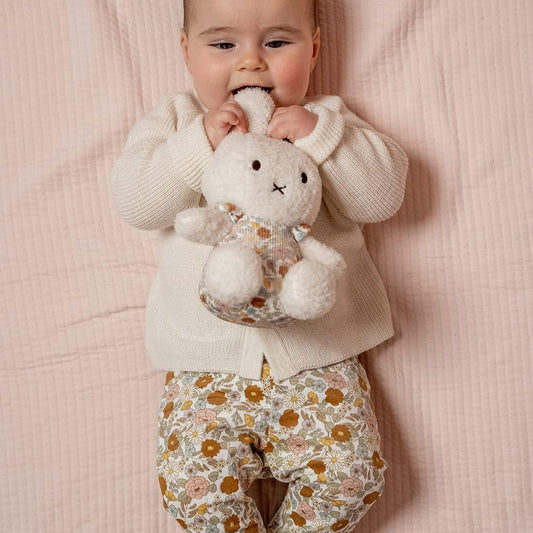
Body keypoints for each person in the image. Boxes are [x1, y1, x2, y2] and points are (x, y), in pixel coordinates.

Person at [111, 0, 408, 531]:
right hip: (205, 365)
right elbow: (137, 204)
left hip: (319, 358)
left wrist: (319, 137)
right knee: (194, 492)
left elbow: (381, 198)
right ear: (186, 51)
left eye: (276, 42)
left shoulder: (326, 120)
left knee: (350, 479)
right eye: (223, 44)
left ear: (313, 48)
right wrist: (199, 144)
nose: (250, 62)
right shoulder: (179, 120)